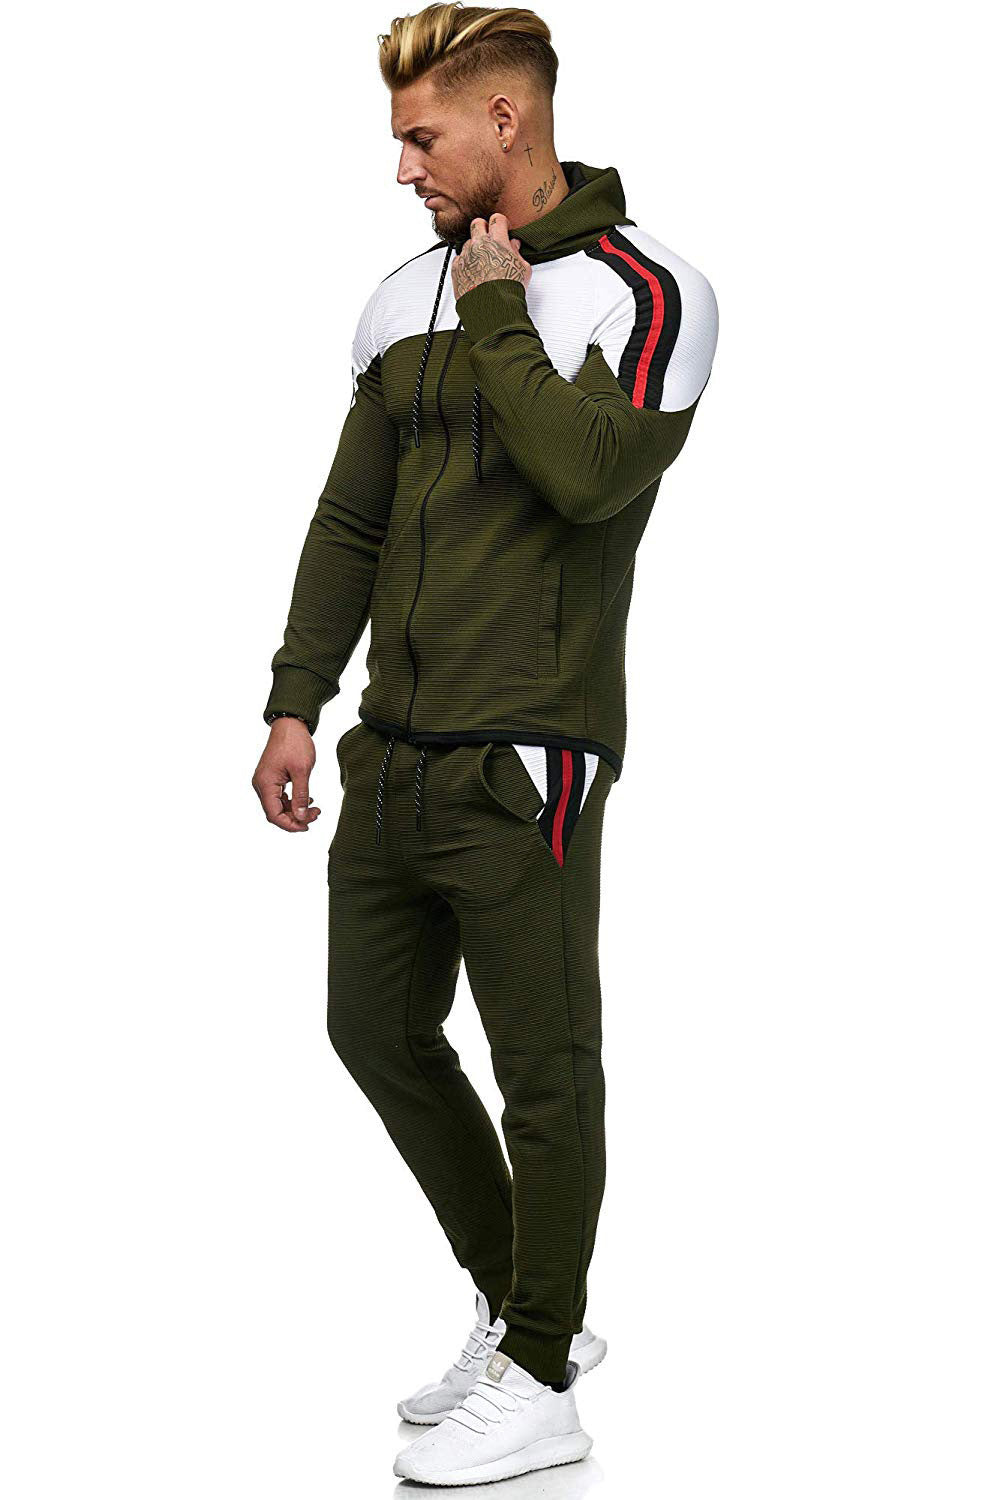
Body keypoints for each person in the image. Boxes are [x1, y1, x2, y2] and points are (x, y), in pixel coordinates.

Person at [252, 3, 718, 1484]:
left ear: (506, 122)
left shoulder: (652, 291)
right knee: (372, 1028)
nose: (402, 168)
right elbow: (352, 518)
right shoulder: (401, 297)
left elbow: (587, 476)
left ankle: (541, 1375)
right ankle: (526, 1309)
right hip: (392, 754)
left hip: (530, 759)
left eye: (422, 137)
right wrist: (296, 697)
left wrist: (504, 310)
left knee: (545, 1067)